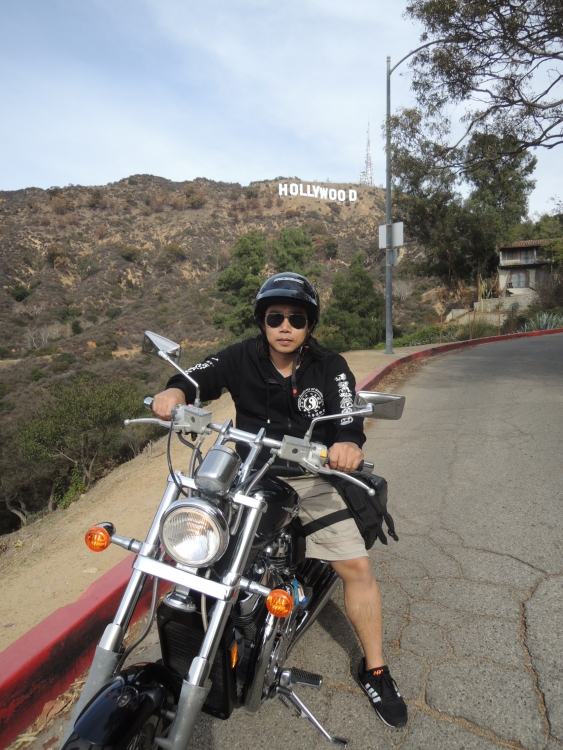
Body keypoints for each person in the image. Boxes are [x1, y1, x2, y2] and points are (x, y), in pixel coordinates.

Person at [152, 272, 407, 728]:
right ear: (262, 321)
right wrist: (175, 390)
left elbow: (348, 411)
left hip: (311, 477)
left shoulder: (329, 365)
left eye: (296, 318)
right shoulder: (240, 356)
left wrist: (349, 442)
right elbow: (201, 377)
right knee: (199, 548)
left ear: (309, 324)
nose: (285, 326)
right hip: (248, 472)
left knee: (356, 566)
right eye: (275, 317)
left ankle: (376, 668)